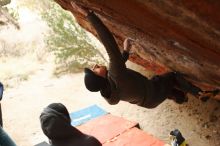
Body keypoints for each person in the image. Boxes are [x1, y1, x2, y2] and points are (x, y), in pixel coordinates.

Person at [71, 2, 219, 108]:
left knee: (164, 84)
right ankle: (200, 94)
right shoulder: (115, 75)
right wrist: (89, 15)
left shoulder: (108, 92)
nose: (95, 65)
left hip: (146, 102)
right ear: (100, 77)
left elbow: (119, 70)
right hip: (152, 90)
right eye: (94, 70)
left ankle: (179, 98)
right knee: (172, 76)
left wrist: (126, 52)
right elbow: (109, 42)